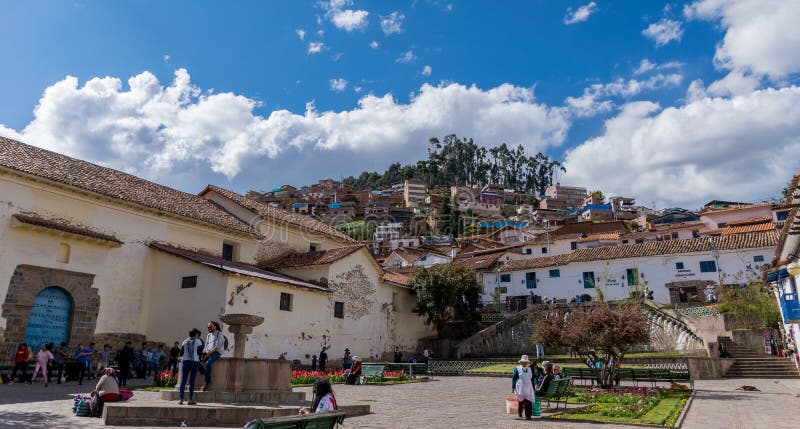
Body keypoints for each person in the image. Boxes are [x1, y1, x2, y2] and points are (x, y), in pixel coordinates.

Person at [179, 328, 204, 405]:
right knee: (192, 381)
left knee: (183, 381)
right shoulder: (198, 341)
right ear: (196, 334)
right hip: (194, 362)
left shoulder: (184, 341)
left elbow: (181, 352)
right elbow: (200, 352)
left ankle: (181, 399)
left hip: (185, 361)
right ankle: (190, 399)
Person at [511, 355, 535, 420]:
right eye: (523, 362)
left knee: (528, 402)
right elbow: (514, 378)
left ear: (527, 363)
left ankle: (528, 415)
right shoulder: (517, 369)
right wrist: (513, 387)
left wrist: (533, 388)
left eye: (526, 362)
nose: (524, 363)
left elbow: (532, 379)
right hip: (520, 388)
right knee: (520, 402)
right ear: (521, 362)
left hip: (528, 388)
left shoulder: (530, 369)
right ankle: (520, 412)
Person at [202, 321, 223, 390]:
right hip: (208, 352)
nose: (209, 328)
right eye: (208, 327)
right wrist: (203, 353)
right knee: (199, 362)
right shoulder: (208, 335)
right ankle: (205, 375)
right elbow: (206, 345)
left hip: (216, 352)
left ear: (215, 326)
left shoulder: (219, 334)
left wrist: (208, 354)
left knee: (208, 364)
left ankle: (207, 381)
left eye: (210, 327)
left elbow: (217, 346)